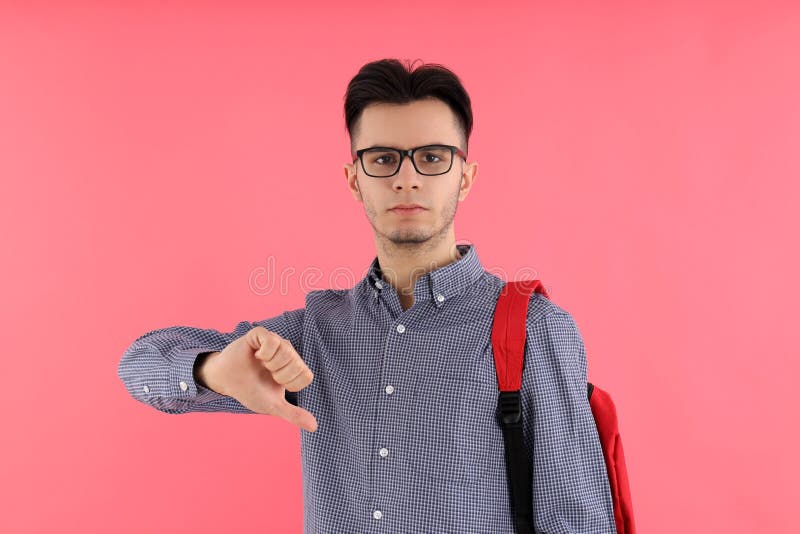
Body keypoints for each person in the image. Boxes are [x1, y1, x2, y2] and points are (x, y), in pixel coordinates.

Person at [117, 57, 618, 533]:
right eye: (383, 159)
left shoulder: (533, 328)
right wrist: (211, 370)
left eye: (431, 157)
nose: (406, 178)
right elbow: (139, 364)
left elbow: (578, 521)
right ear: (355, 180)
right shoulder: (311, 334)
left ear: (465, 177)